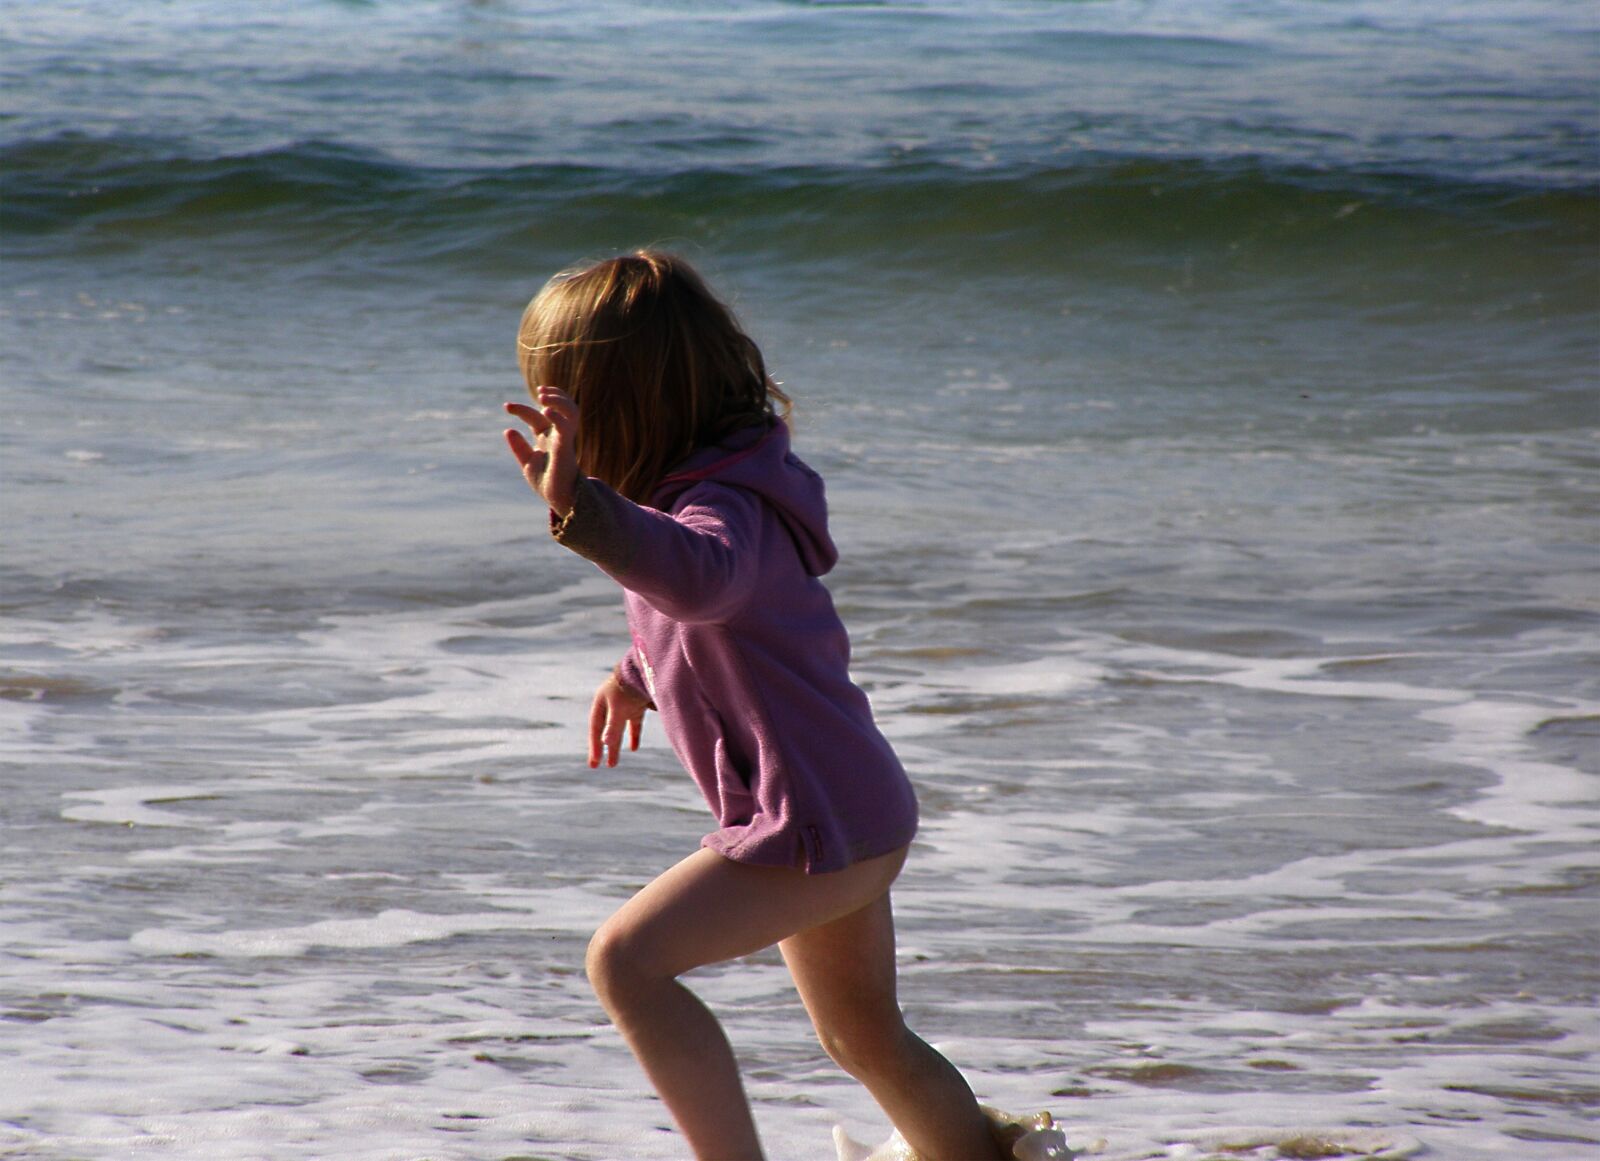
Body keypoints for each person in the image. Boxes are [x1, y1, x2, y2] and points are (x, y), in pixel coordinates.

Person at [502, 250, 1004, 1161]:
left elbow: (705, 582)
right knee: (863, 1035)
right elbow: (722, 621)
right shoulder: (723, 490)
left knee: (624, 962)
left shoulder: (721, 508)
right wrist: (635, 672)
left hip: (811, 823)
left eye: (558, 409)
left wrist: (580, 506)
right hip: (852, 809)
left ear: (614, 406)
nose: (550, 434)